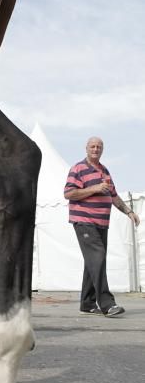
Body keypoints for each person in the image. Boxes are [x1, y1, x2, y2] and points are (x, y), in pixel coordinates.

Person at [64, 136, 140, 317]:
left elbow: (113, 196)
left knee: (93, 261)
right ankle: (107, 303)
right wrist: (95, 189)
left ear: (102, 149)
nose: (96, 149)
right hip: (84, 222)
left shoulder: (105, 170)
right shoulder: (78, 168)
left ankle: (87, 303)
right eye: (93, 146)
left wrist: (129, 211)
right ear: (86, 148)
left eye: (99, 147)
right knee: (97, 259)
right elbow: (69, 193)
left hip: (101, 224)